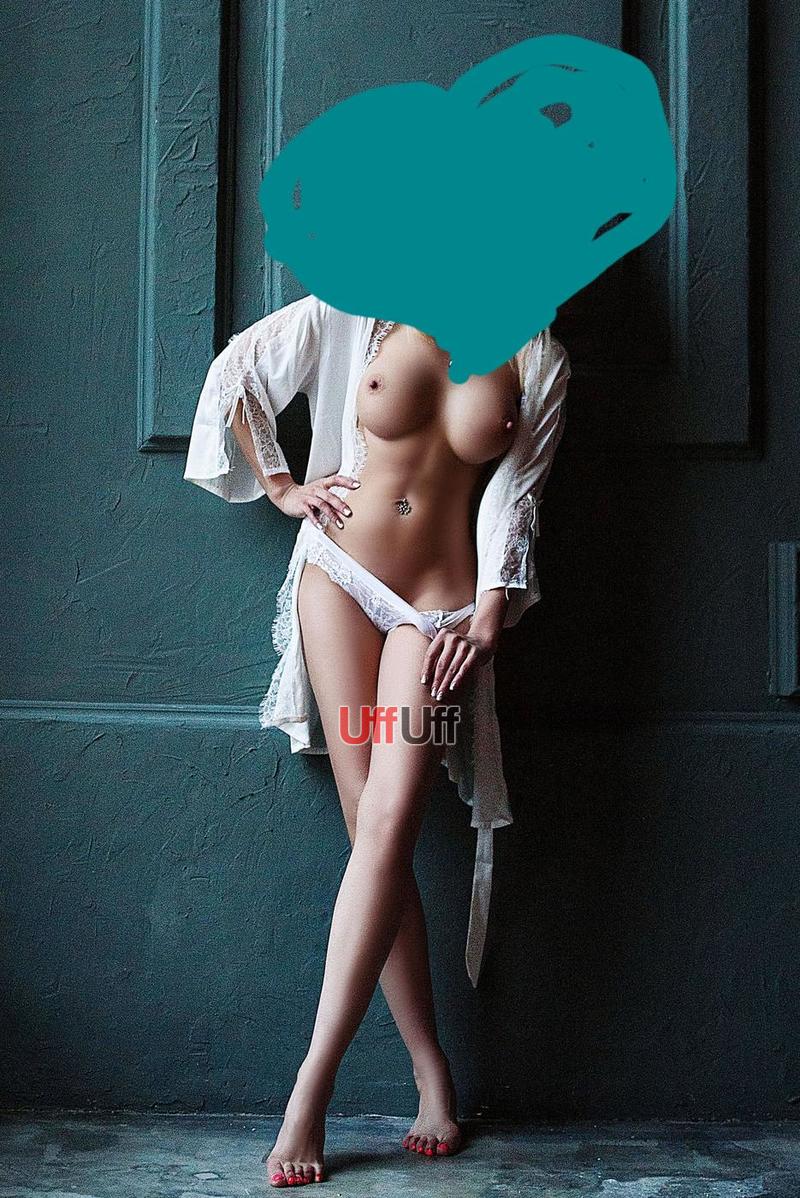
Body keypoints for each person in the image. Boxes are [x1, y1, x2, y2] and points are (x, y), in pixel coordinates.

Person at [184, 293, 570, 1186]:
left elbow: (519, 491)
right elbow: (239, 372)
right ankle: (425, 1072)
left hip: (440, 614)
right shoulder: (357, 304)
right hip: (340, 577)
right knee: (372, 829)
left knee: (391, 822)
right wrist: (284, 486)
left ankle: (310, 1089)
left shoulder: (538, 353)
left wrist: (491, 612)